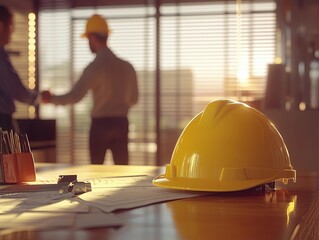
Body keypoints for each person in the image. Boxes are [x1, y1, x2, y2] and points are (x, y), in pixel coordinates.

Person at [41, 14, 138, 165]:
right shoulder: (128, 67)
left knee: (96, 172)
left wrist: (51, 98)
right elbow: (134, 99)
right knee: (123, 172)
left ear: (92, 37)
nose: (88, 44)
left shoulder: (94, 67)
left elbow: (75, 96)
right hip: (121, 123)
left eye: (87, 39)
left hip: (100, 126)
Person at [0, 5, 38, 131]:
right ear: (1, 26)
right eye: (11, 25)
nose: (13, 31)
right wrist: (38, 97)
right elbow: (15, 88)